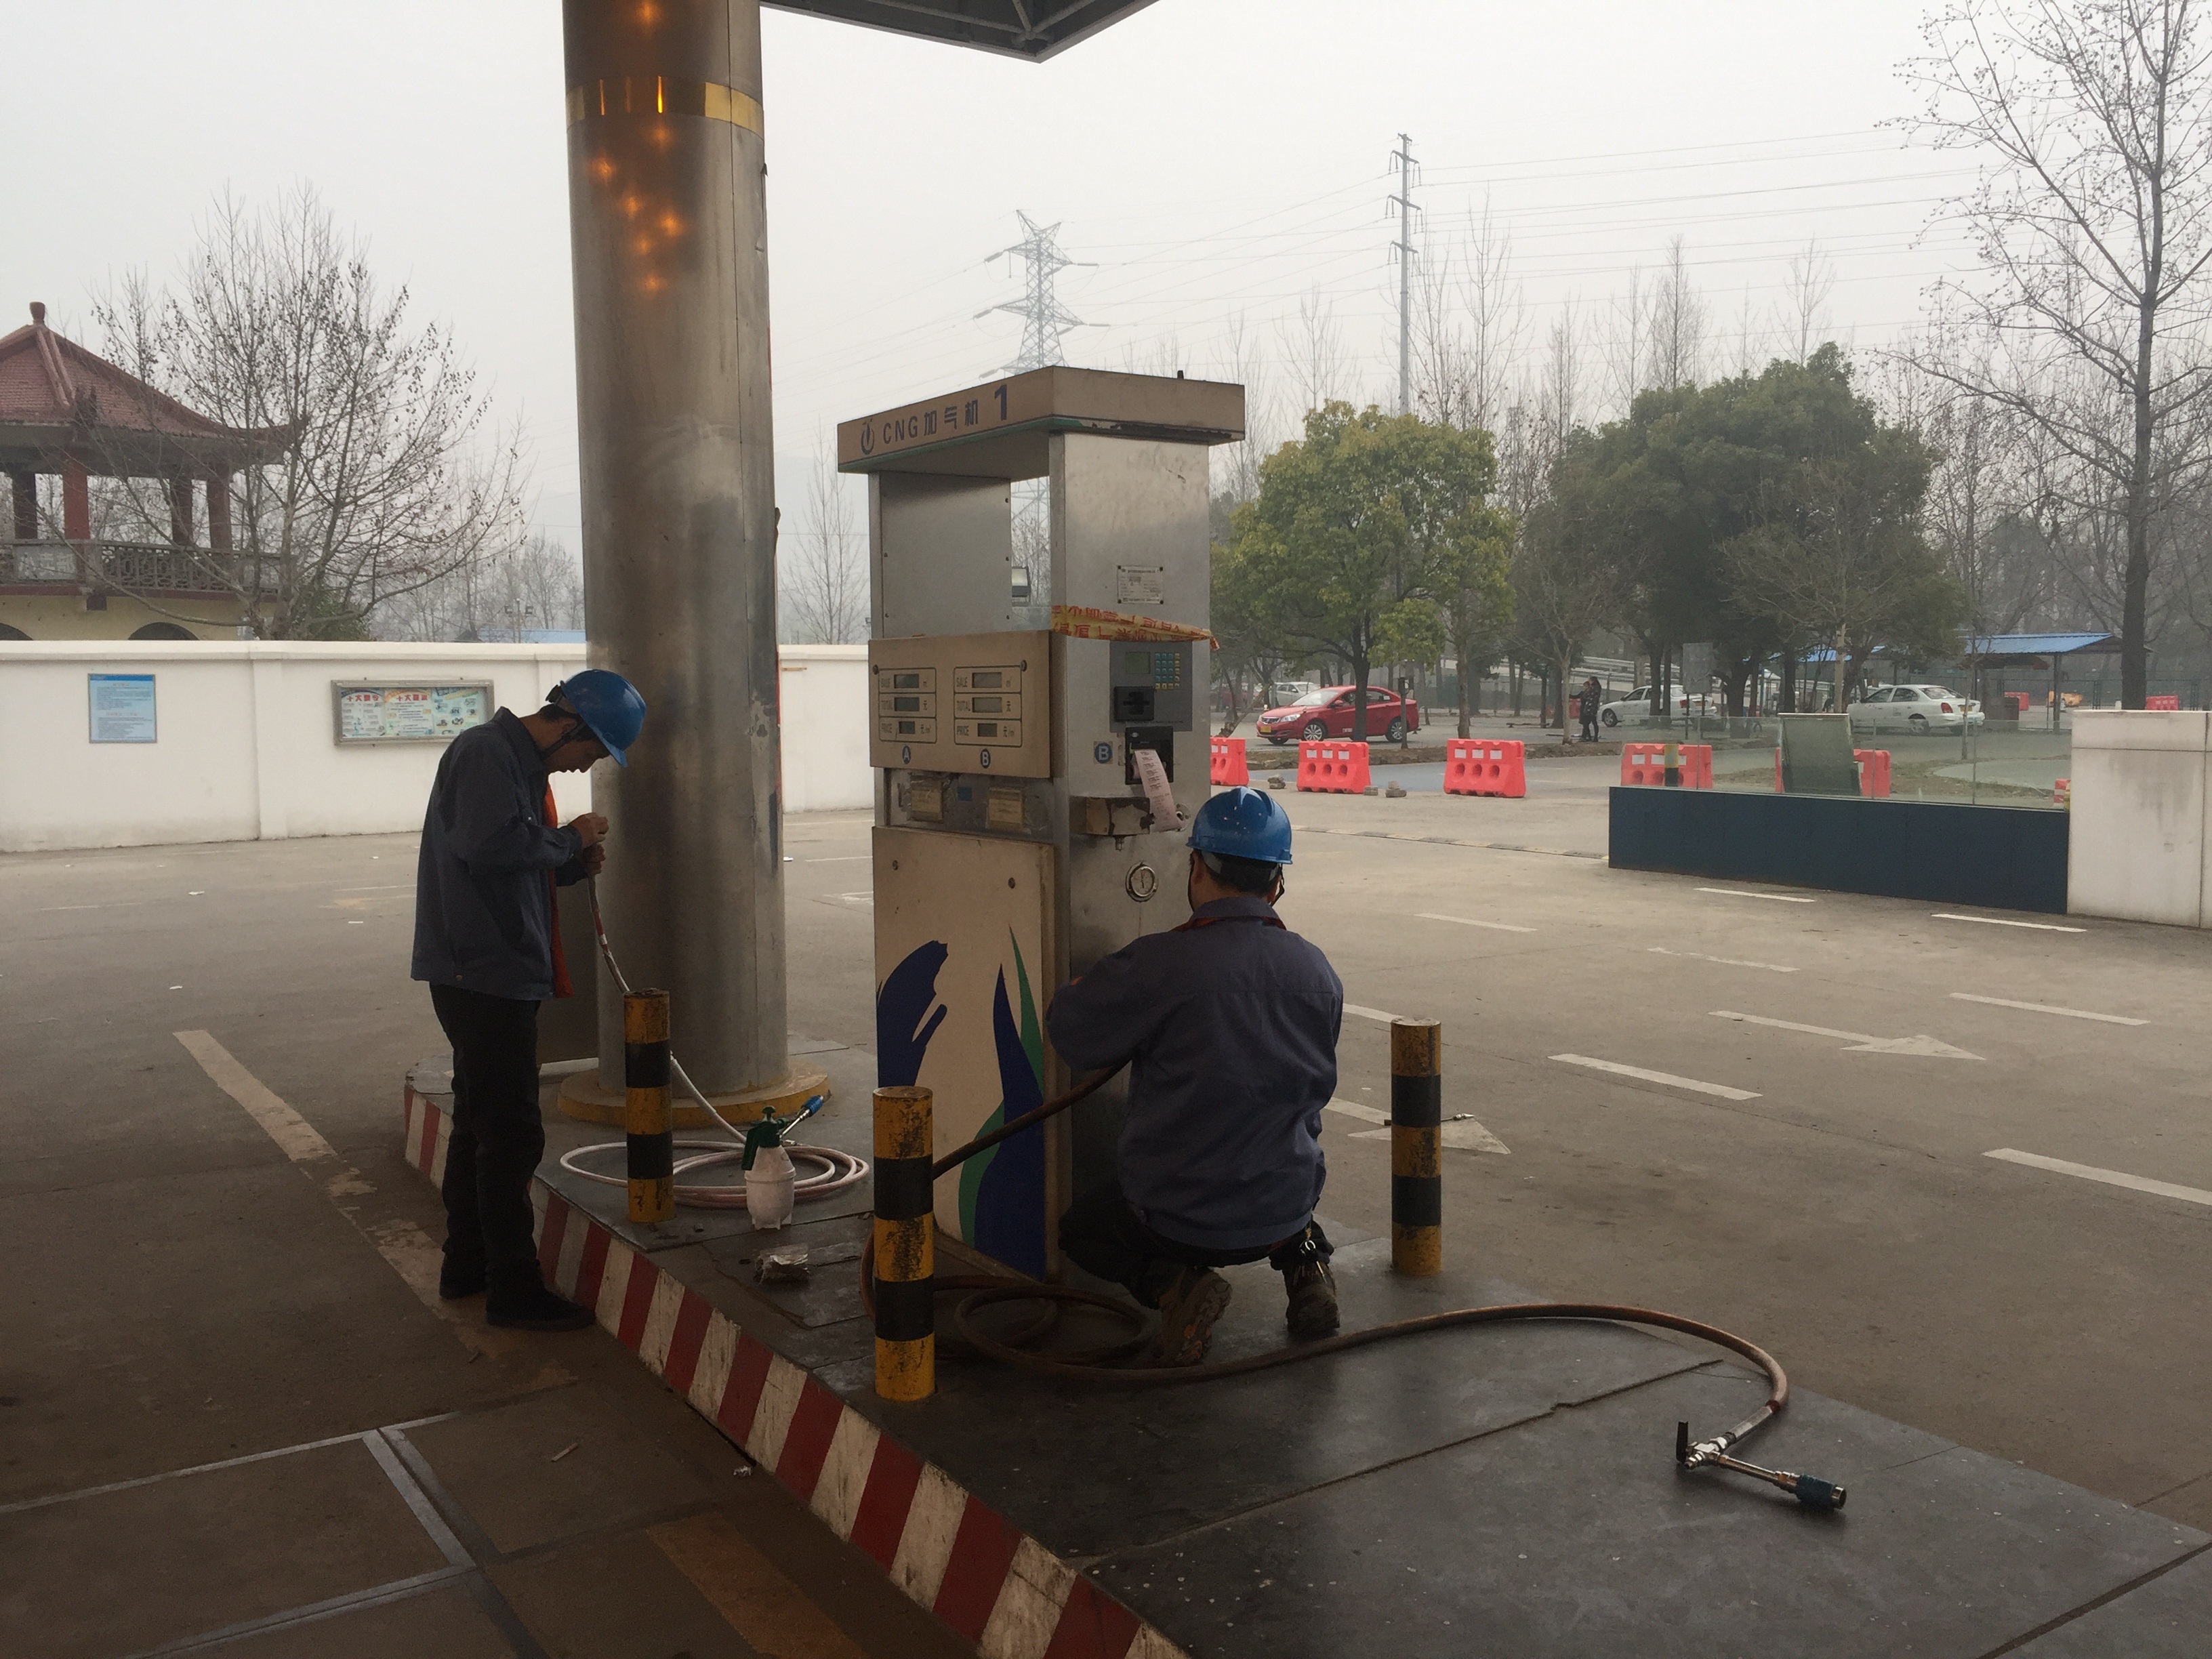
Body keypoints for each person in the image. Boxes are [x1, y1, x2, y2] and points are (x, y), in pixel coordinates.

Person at [1046, 787, 1345, 1365]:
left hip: (1177, 1218)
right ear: (1277, 882)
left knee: (1081, 1231)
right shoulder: (1317, 970)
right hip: (1282, 1207)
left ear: (1197, 868)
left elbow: (1071, 1034)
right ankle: (1308, 1269)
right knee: (1285, 1160)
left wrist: (1087, 990)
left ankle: (1178, 1285)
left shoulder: (1159, 962)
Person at [412, 670, 647, 1330]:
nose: (586, 766)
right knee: (512, 1135)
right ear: (569, 725)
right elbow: (486, 844)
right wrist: (571, 838)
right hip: (482, 973)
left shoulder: (517, 763)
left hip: (492, 968)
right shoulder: (485, 752)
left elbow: (505, 857)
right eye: (591, 751)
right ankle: (513, 1290)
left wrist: (569, 864)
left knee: (481, 1124)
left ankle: (468, 1266)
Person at [1577, 676, 1602, 743]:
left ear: (1593, 681)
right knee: (1594, 723)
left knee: (1586, 723)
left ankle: (1586, 736)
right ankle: (1595, 737)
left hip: (1589, 707)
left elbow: (1586, 695)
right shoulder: (1598, 688)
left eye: (1590, 681)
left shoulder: (1592, 688)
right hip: (1594, 707)